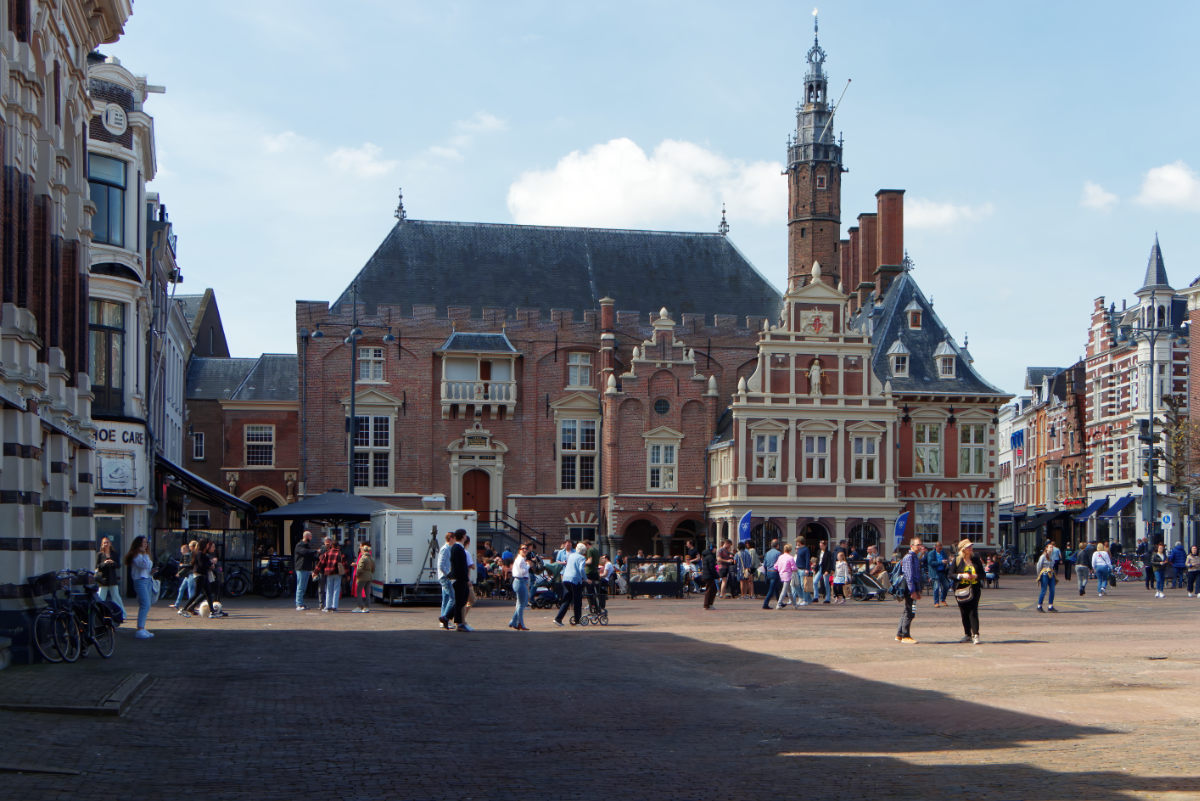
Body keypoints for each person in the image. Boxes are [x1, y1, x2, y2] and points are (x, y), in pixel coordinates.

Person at [951, 539, 984, 644]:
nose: (971, 548)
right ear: (963, 549)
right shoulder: (957, 560)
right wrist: (961, 575)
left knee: (973, 611)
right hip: (961, 589)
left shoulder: (976, 559)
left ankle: (976, 634)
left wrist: (976, 576)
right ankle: (967, 634)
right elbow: (950, 574)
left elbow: (983, 574)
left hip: (974, 588)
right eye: (968, 547)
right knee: (964, 612)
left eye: (971, 546)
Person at [124, 535, 156, 639]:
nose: (145, 544)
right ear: (138, 544)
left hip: (147, 579)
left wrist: (152, 572)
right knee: (145, 604)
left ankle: (142, 627)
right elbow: (143, 565)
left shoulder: (143, 554)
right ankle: (140, 629)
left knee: (147, 604)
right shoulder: (136, 555)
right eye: (143, 542)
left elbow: (147, 568)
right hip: (140, 581)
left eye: (146, 542)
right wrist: (145, 555)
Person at [181, 540, 220, 618]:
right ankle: (184, 609)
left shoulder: (203, 554)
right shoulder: (200, 554)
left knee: (208, 593)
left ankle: (212, 612)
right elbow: (202, 565)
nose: (209, 547)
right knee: (197, 594)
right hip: (200, 575)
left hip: (203, 575)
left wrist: (210, 563)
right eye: (208, 545)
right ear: (205, 546)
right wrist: (210, 564)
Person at [896, 538, 924, 643]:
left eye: (921, 545)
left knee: (907, 610)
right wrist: (913, 591)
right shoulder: (909, 557)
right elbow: (909, 575)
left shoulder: (915, 557)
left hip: (913, 587)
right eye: (918, 545)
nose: (920, 547)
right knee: (910, 611)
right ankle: (905, 635)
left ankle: (899, 634)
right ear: (911, 546)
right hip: (908, 587)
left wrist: (918, 589)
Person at [554, 542, 587, 626]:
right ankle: (577, 620)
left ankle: (558, 618)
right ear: (583, 551)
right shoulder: (582, 558)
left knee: (567, 599)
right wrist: (586, 579)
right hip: (575, 580)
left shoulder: (571, 555)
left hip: (565, 578)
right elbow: (581, 569)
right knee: (577, 600)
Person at [94, 536, 125, 616]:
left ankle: (121, 614)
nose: (106, 544)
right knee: (101, 597)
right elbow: (97, 566)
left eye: (107, 542)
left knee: (116, 597)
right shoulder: (100, 554)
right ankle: (98, 614)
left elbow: (118, 565)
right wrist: (104, 563)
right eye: (104, 543)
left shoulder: (114, 554)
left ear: (110, 544)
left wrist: (112, 562)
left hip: (112, 579)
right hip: (103, 579)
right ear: (102, 544)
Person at [315, 537, 348, 612]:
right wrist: (347, 575)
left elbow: (321, 563)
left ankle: (327, 606)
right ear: (338, 546)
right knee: (336, 589)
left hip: (329, 573)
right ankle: (334, 606)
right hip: (337, 573)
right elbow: (344, 564)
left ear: (331, 546)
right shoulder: (340, 553)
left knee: (328, 589)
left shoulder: (327, 553)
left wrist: (315, 572)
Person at [449, 529, 472, 631]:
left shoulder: (455, 547)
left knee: (460, 600)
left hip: (457, 578)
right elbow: (462, 566)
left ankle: (447, 617)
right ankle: (459, 622)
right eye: (465, 535)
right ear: (463, 536)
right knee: (461, 600)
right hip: (460, 579)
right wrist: (466, 579)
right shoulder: (459, 548)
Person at [293, 530, 319, 611]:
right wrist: (315, 551)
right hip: (301, 568)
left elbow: (310, 555)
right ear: (306, 536)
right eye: (310, 536)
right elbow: (305, 552)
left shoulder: (307, 546)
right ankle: (298, 604)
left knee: (303, 587)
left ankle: (301, 603)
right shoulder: (300, 545)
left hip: (306, 568)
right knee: (300, 587)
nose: (311, 538)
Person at [508, 543, 532, 630]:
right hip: (520, 581)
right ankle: (520, 623)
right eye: (523, 549)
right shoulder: (521, 560)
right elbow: (523, 572)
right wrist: (528, 565)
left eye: (526, 548)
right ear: (519, 550)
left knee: (520, 604)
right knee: (522, 604)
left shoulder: (520, 559)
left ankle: (514, 621)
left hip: (519, 581)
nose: (525, 550)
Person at [436, 531, 455, 629]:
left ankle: (443, 619)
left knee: (446, 599)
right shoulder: (445, 549)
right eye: (454, 538)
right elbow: (441, 565)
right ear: (451, 538)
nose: (455, 541)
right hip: (445, 577)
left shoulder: (447, 549)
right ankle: (445, 618)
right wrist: (448, 575)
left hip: (443, 576)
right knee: (452, 598)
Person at [170, 542, 195, 610]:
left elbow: (187, 567)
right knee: (182, 589)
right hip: (188, 575)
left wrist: (180, 573)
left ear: (186, 549)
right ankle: (177, 604)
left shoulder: (187, 556)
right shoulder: (187, 555)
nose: (181, 551)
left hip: (190, 575)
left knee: (190, 590)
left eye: (182, 549)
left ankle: (191, 606)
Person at [352, 543, 375, 612]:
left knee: (359, 592)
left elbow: (360, 569)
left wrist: (357, 575)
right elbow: (373, 568)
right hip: (369, 576)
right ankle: (367, 607)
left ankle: (360, 606)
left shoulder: (363, 558)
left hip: (362, 577)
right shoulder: (371, 559)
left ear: (363, 550)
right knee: (367, 593)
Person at [775, 544, 799, 609]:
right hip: (787, 575)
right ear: (790, 550)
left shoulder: (780, 557)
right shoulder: (790, 558)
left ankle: (794, 604)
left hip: (781, 574)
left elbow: (776, 566)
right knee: (784, 590)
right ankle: (779, 604)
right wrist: (796, 569)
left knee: (789, 591)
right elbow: (794, 568)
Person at [1036, 542, 1058, 612]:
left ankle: (1050, 606)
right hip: (1044, 574)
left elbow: (1053, 565)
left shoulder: (1052, 556)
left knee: (1052, 590)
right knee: (1044, 590)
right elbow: (1038, 566)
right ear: (1046, 548)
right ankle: (1039, 606)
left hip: (1051, 573)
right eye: (1050, 547)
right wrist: (1039, 575)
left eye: (1052, 547)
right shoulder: (1043, 556)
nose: (1052, 548)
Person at [761, 539, 781, 610]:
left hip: (769, 571)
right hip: (774, 572)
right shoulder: (778, 553)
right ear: (777, 545)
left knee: (776, 588)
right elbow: (780, 563)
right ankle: (765, 603)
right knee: (772, 589)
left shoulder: (767, 553)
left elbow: (765, 564)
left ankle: (779, 602)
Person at [927, 541, 948, 608]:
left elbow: (946, 558)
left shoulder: (943, 553)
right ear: (935, 547)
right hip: (935, 572)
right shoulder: (931, 553)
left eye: (941, 546)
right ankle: (936, 602)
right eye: (939, 547)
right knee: (936, 588)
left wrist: (947, 561)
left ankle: (943, 599)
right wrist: (940, 562)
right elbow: (930, 562)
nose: (940, 548)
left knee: (946, 585)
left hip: (942, 572)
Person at [815, 540, 834, 604]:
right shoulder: (819, 551)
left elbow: (829, 562)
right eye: (820, 545)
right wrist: (815, 568)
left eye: (821, 545)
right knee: (815, 582)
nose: (820, 546)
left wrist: (827, 571)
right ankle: (816, 597)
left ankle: (827, 598)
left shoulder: (828, 553)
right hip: (820, 568)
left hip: (825, 569)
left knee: (826, 584)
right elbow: (818, 560)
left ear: (825, 545)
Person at [700, 545, 718, 609]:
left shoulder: (705, 556)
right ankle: (707, 604)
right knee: (710, 590)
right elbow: (712, 568)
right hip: (709, 575)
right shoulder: (710, 557)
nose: (716, 550)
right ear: (713, 549)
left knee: (712, 589)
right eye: (715, 549)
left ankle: (709, 604)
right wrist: (716, 575)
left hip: (706, 575)